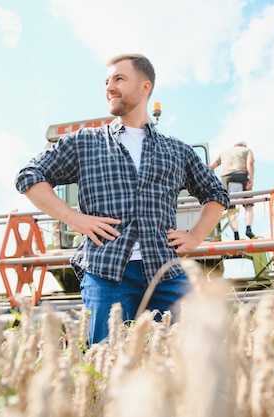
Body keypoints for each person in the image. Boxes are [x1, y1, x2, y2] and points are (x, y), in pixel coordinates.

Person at [15, 53, 229, 345]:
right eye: (106, 81)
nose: (109, 87)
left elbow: (216, 193)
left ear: (145, 87)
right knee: (108, 364)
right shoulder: (85, 142)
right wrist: (73, 218)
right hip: (106, 275)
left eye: (119, 79)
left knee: (189, 360)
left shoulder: (177, 151)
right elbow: (29, 175)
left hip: (166, 273)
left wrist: (195, 236)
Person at [210, 141, 255, 240]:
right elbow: (250, 163)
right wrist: (251, 180)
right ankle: (248, 228)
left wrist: (214, 182)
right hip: (241, 176)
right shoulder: (247, 150)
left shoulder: (224, 152)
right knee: (248, 205)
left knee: (231, 207)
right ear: (244, 145)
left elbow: (211, 166)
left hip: (226, 178)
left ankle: (236, 234)